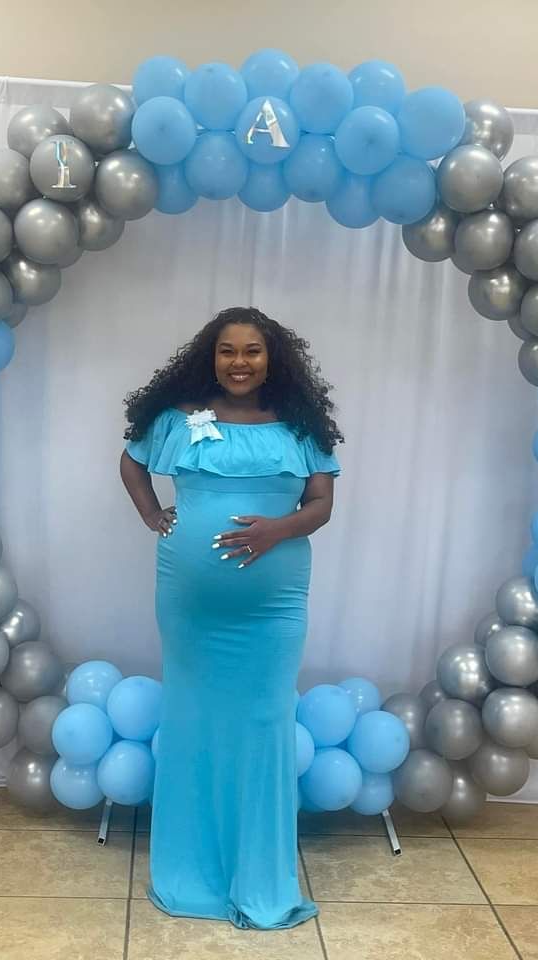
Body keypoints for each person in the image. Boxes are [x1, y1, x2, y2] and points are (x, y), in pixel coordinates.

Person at [119, 306, 343, 929]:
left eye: (252, 351)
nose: (239, 362)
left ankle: (259, 876)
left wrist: (278, 530)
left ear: (273, 359)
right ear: (210, 357)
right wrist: (151, 513)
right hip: (189, 604)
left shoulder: (301, 425)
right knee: (192, 721)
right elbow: (132, 462)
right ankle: (190, 872)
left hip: (272, 608)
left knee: (265, 722)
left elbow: (321, 504)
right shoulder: (178, 418)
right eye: (227, 351)